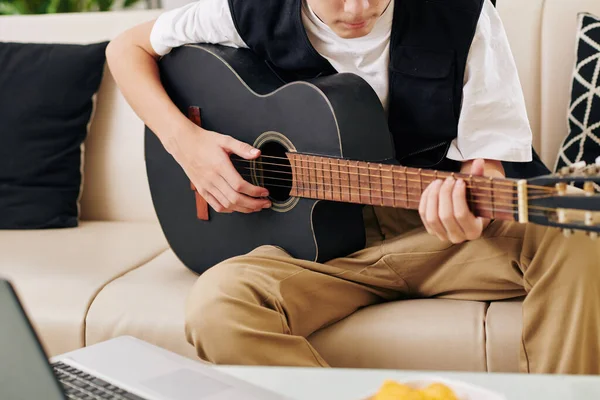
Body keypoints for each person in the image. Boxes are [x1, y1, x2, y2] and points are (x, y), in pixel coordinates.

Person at [105, 0, 600, 374]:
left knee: (580, 232)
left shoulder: (461, 13)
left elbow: (486, 170)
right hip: (314, 252)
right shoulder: (248, 9)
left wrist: (470, 205)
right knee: (218, 307)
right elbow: (125, 48)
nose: (359, 9)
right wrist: (187, 144)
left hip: (436, 238)